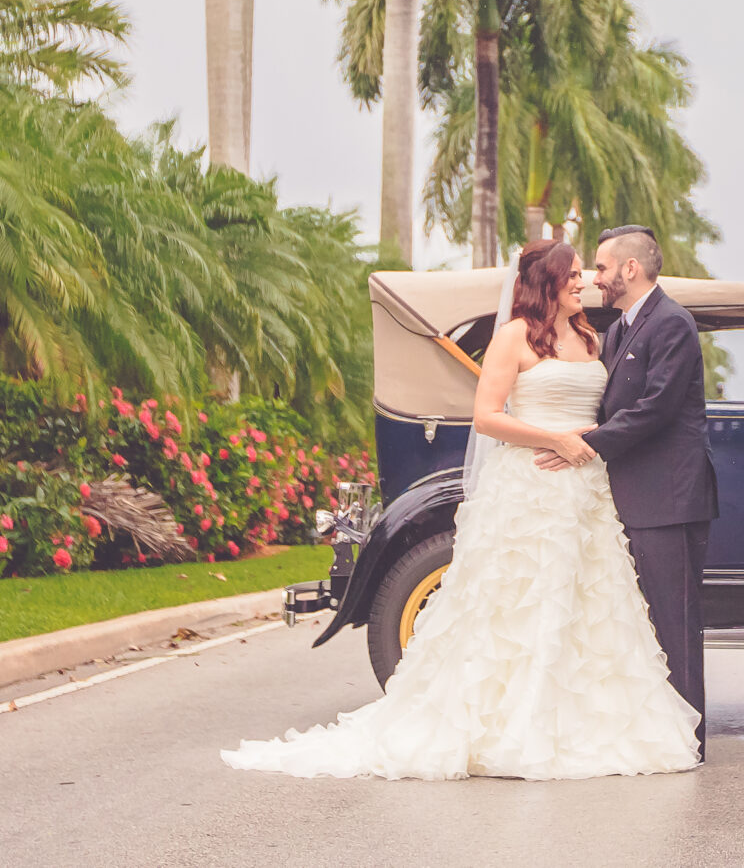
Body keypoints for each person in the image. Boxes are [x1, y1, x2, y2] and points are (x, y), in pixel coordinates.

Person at [220, 238, 698, 780]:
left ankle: (583, 724)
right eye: (571, 274)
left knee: (589, 603)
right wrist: (556, 439)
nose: (582, 280)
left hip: (587, 489)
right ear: (546, 282)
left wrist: (587, 443)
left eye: (584, 273)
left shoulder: (595, 337)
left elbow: (615, 406)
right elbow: (487, 417)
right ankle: (508, 724)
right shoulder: (514, 336)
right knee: (516, 605)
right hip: (533, 485)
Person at [540, 224, 716, 757]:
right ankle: (650, 731)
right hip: (628, 498)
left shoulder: (673, 324)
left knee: (674, 623)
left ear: (630, 269)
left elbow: (657, 408)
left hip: (669, 499)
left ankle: (688, 739)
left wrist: (585, 443)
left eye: (600, 267)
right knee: (637, 625)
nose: (595, 278)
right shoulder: (618, 330)